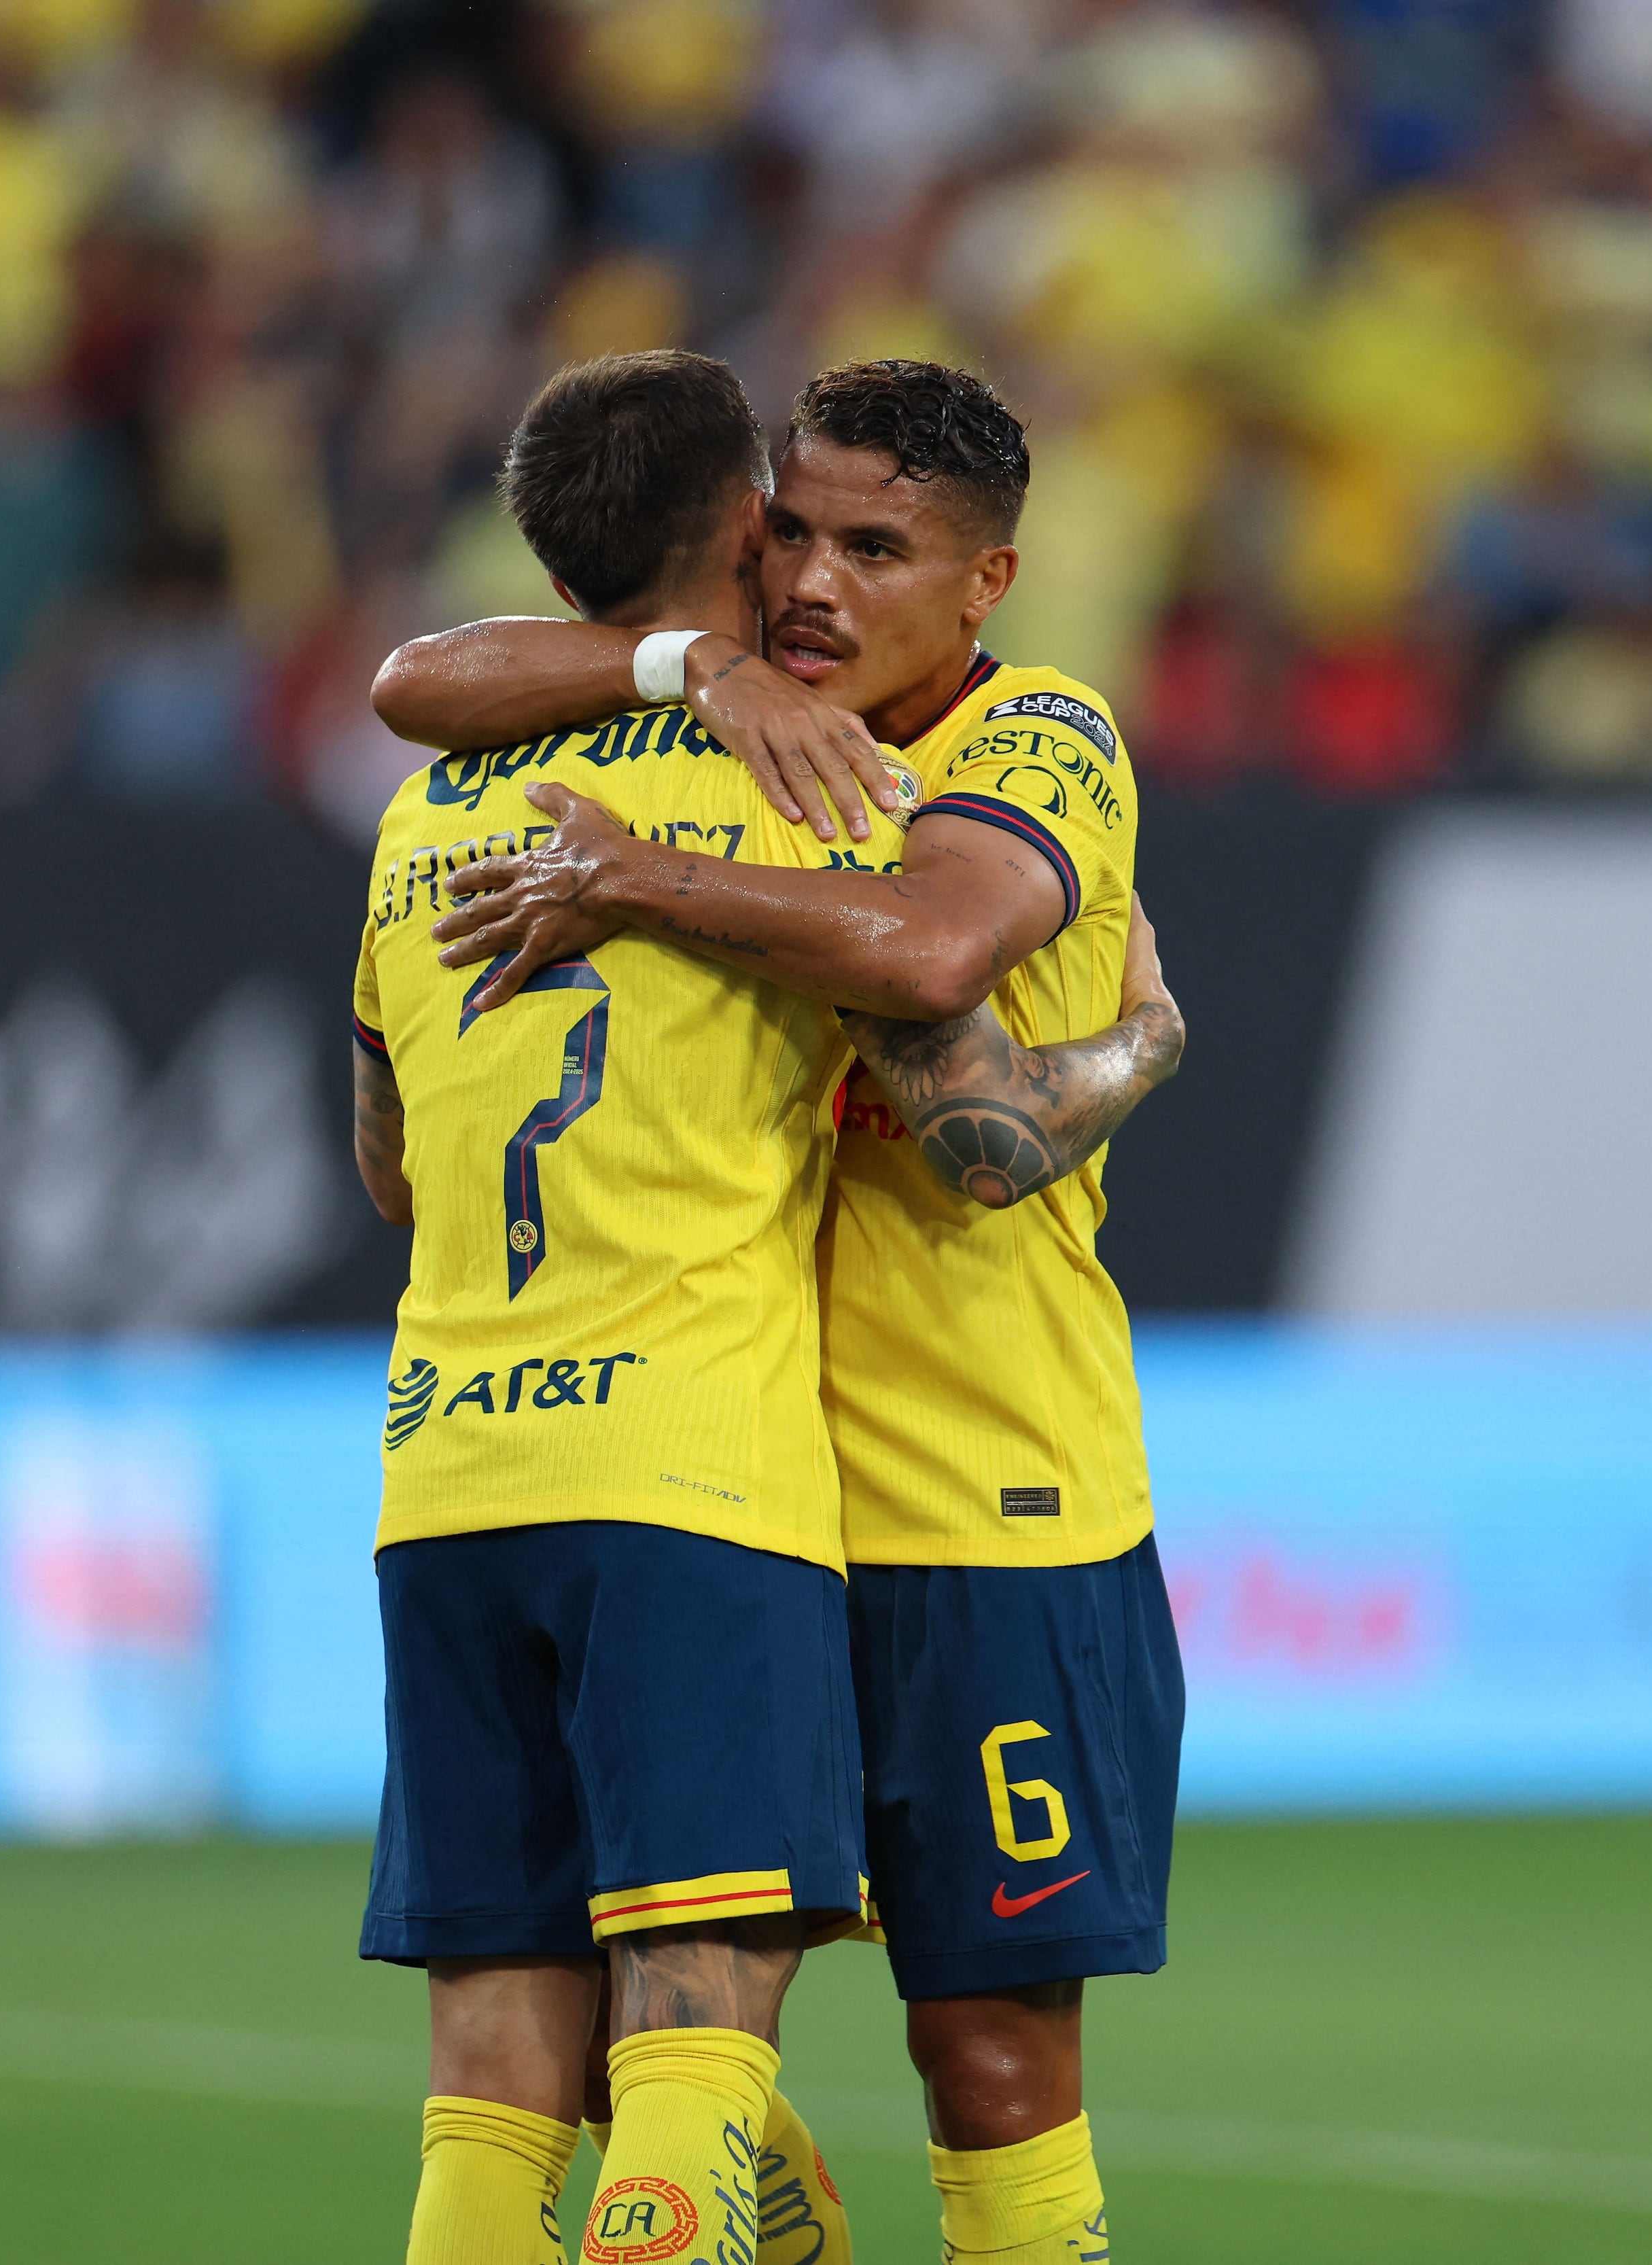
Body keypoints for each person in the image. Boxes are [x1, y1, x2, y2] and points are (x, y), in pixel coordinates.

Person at [383, 357, 1182, 2265]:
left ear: (984, 585)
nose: (818, 581)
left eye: (878, 550)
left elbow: (966, 1092)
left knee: (984, 2052)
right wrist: (690, 673)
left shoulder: (1036, 739)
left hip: (981, 1490)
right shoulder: (748, 735)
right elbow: (411, 680)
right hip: (733, 1495)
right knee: (623, 2037)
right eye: (793, 536)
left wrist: (637, 877)